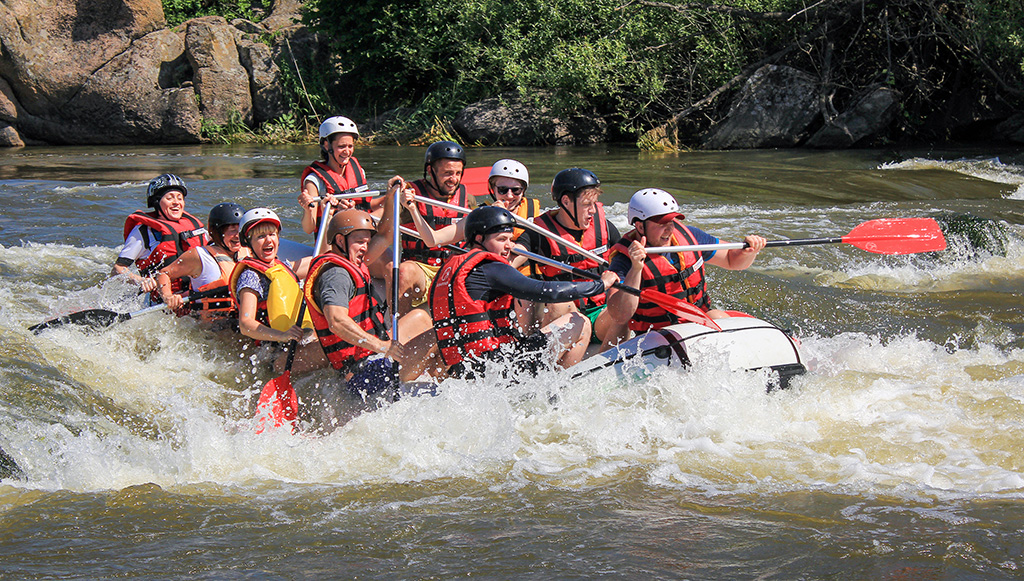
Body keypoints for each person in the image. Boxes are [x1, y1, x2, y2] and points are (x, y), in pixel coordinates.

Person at [429, 206, 618, 379]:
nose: (509, 246)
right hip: (499, 371)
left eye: (510, 240)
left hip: (465, 373)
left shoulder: (448, 271)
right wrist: (600, 285)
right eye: (501, 240)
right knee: (580, 322)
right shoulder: (490, 268)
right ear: (479, 239)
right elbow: (546, 292)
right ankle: (560, 387)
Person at [598, 188, 767, 346]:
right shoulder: (624, 259)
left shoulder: (690, 236)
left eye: (672, 221)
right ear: (640, 226)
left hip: (698, 320)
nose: (670, 229)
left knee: (718, 317)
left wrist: (749, 251)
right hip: (656, 334)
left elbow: (731, 260)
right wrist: (636, 269)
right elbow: (619, 315)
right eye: (662, 223)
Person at [304, 209, 437, 398]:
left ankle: (429, 378)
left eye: (367, 242)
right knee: (442, 335)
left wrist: (391, 197)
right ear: (341, 241)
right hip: (363, 377)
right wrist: (382, 346)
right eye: (360, 241)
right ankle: (440, 386)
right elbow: (336, 321)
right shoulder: (337, 276)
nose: (365, 248)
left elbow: (384, 236)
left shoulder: (352, 264)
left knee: (421, 317)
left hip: (369, 359)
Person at [513, 168, 621, 338]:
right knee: (559, 304)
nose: (593, 211)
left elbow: (625, 264)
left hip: (600, 312)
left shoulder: (605, 228)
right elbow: (512, 259)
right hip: (566, 315)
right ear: (566, 201)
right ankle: (537, 352)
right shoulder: (540, 233)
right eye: (586, 204)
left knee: (624, 308)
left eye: (594, 204)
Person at [229, 208, 321, 372]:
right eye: (260, 236)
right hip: (273, 354)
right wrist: (281, 335)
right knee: (331, 350)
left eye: (272, 234)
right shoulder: (250, 276)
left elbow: (320, 260)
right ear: (248, 242)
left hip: (296, 342)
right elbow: (246, 324)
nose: (268, 240)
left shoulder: (283, 266)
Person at [392, 140, 477, 314]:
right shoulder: (409, 195)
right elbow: (381, 220)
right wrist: (392, 197)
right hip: (421, 268)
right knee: (405, 271)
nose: (453, 179)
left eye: (458, 173)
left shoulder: (468, 200)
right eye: (447, 173)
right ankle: (400, 328)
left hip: (453, 269)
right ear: (430, 171)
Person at [112, 174, 209, 294]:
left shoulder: (195, 227)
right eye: (170, 198)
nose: (176, 203)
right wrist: (141, 281)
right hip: (165, 298)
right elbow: (118, 269)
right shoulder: (144, 232)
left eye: (180, 198)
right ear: (157, 202)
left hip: (197, 293)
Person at [154, 202, 245, 325]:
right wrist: (168, 297)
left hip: (240, 324)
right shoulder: (200, 256)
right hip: (210, 331)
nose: (237, 235)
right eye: (232, 230)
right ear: (217, 232)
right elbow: (164, 273)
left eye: (240, 229)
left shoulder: (249, 252)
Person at [297, 116, 379, 240]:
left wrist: (390, 197)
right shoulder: (313, 181)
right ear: (326, 145)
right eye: (341, 146)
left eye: (350, 146)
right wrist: (308, 209)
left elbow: (367, 205)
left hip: (360, 238)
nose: (347, 151)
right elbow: (308, 228)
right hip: (331, 244)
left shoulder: (359, 171)